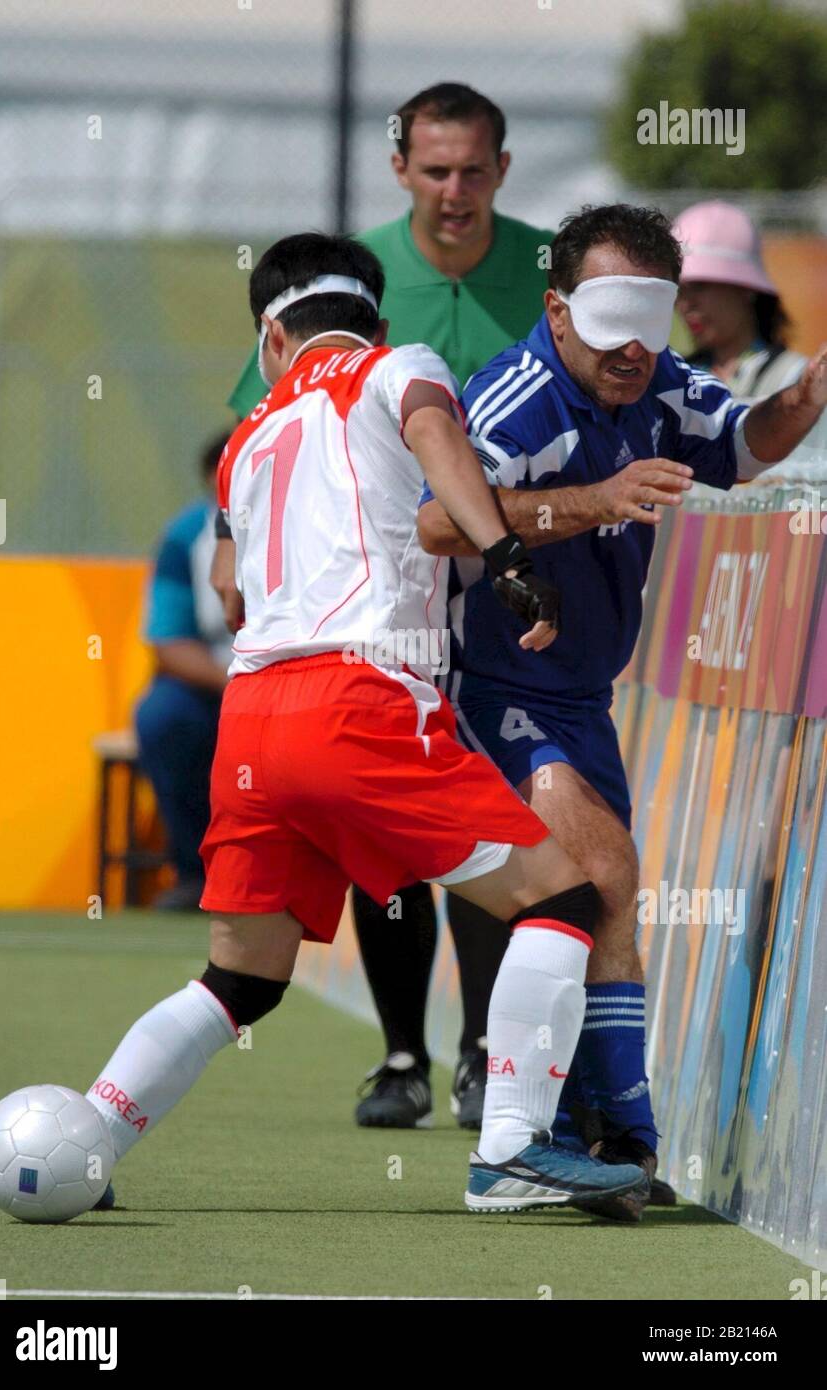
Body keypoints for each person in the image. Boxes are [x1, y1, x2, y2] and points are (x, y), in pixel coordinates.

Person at [87, 231, 652, 1216]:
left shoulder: (246, 440)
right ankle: (513, 1149)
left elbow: (229, 592)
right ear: (375, 321)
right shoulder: (400, 364)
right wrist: (505, 559)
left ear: (272, 336)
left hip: (253, 714)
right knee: (566, 901)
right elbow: (438, 440)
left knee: (241, 978)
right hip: (363, 696)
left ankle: (88, 1133)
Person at [417, 203, 827, 1219]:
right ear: (556, 313)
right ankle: (538, 1142)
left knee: (599, 893)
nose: (633, 352)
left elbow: (747, 445)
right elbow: (433, 520)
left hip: (580, 698)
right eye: (608, 329)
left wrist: (812, 386)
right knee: (602, 873)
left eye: (651, 322)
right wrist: (597, 499)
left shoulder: (661, 382)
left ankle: (599, 1141)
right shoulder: (515, 401)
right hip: (488, 688)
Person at [213, 82, 558, 1131]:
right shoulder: (343, 282)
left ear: (504, 170)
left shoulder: (552, 269)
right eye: (434, 170)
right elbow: (257, 425)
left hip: (517, 592)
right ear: (400, 169)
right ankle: (405, 1049)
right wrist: (237, 560)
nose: (454, 192)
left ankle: (484, 1054)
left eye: (473, 171)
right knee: (393, 836)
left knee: (492, 826)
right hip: (381, 606)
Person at [135, 434, 232, 911]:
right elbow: (168, 642)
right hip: (222, 680)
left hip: (300, 675)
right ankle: (196, 873)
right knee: (163, 716)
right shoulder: (186, 536)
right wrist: (234, 684)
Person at [673, 200, 807, 398]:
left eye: (699, 286)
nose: (685, 304)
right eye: (678, 290)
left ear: (746, 288)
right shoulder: (673, 378)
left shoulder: (798, 379)